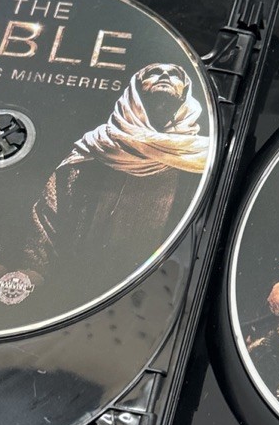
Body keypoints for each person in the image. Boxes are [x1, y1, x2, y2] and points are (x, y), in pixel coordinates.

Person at [27, 64, 211, 286]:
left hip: (153, 287)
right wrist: (37, 273)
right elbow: (48, 216)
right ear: (135, 90)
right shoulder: (97, 146)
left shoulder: (199, 157)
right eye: (153, 73)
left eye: (175, 75)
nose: (164, 75)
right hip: (73, 282)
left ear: (185, 93)